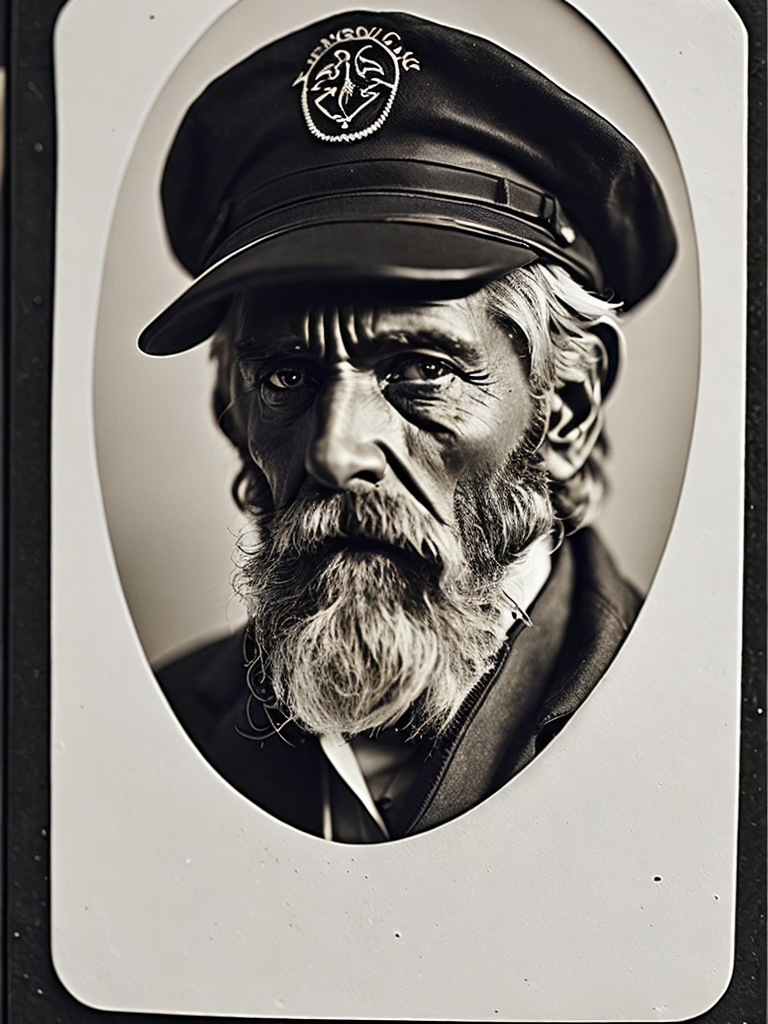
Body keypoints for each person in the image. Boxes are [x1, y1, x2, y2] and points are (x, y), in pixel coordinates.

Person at [139, 9, 676, 843]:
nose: (336, 449)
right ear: (232, 412)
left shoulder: (704, 736)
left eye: (421, 371)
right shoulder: (148, 728)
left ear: (566, 405)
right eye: (286, 377)